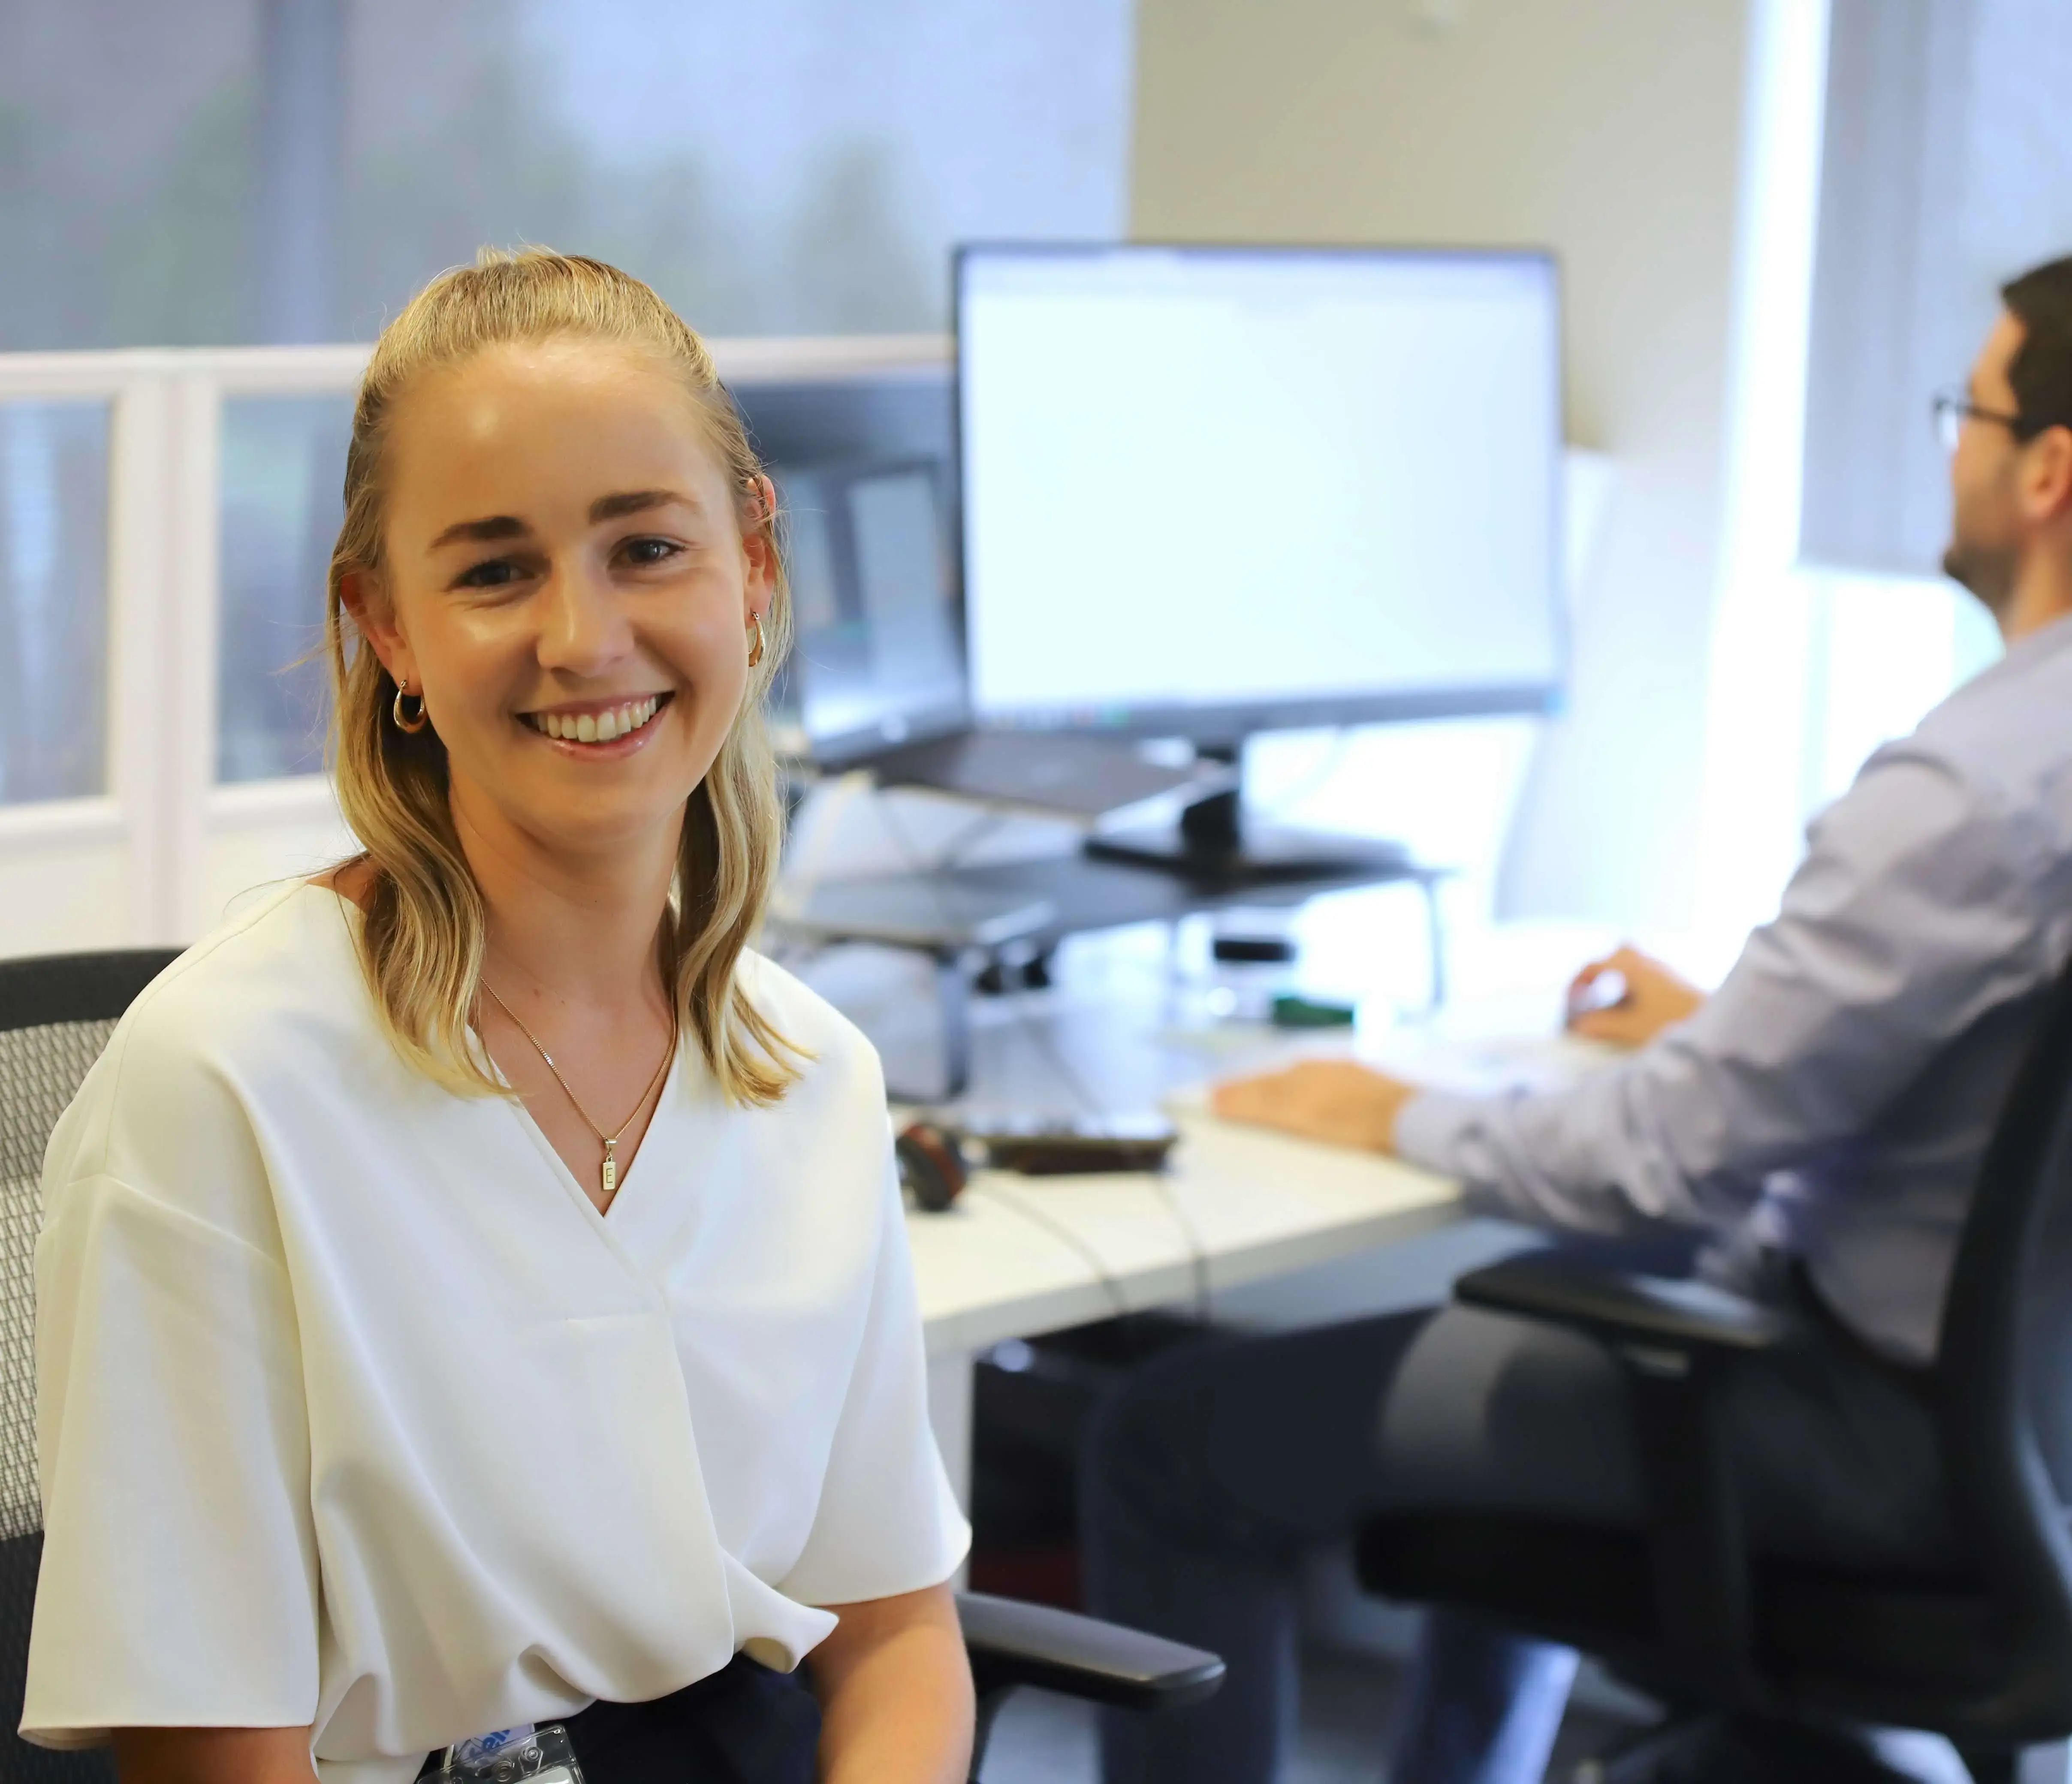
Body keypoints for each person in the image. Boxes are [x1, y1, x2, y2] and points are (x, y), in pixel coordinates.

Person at [1080, 252, 2072, 1784]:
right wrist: (1735, 1026)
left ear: (2046, 474)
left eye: (1969, 408)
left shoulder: (1971, 792)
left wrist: (1389, 1108)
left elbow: (1654, 1165)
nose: (1947, 444)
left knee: (1167, 1441)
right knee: (1544, 1280)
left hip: (1878, 1436)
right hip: (2031, 1433)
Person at [19, 250, 973, 1784]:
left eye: (645, 547)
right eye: (492, 570)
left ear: (754, 564)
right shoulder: (228, 1081)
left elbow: (900, 1635)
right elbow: (213, 1759)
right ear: (384, 625)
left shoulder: (812, 1074)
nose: (582, 639)